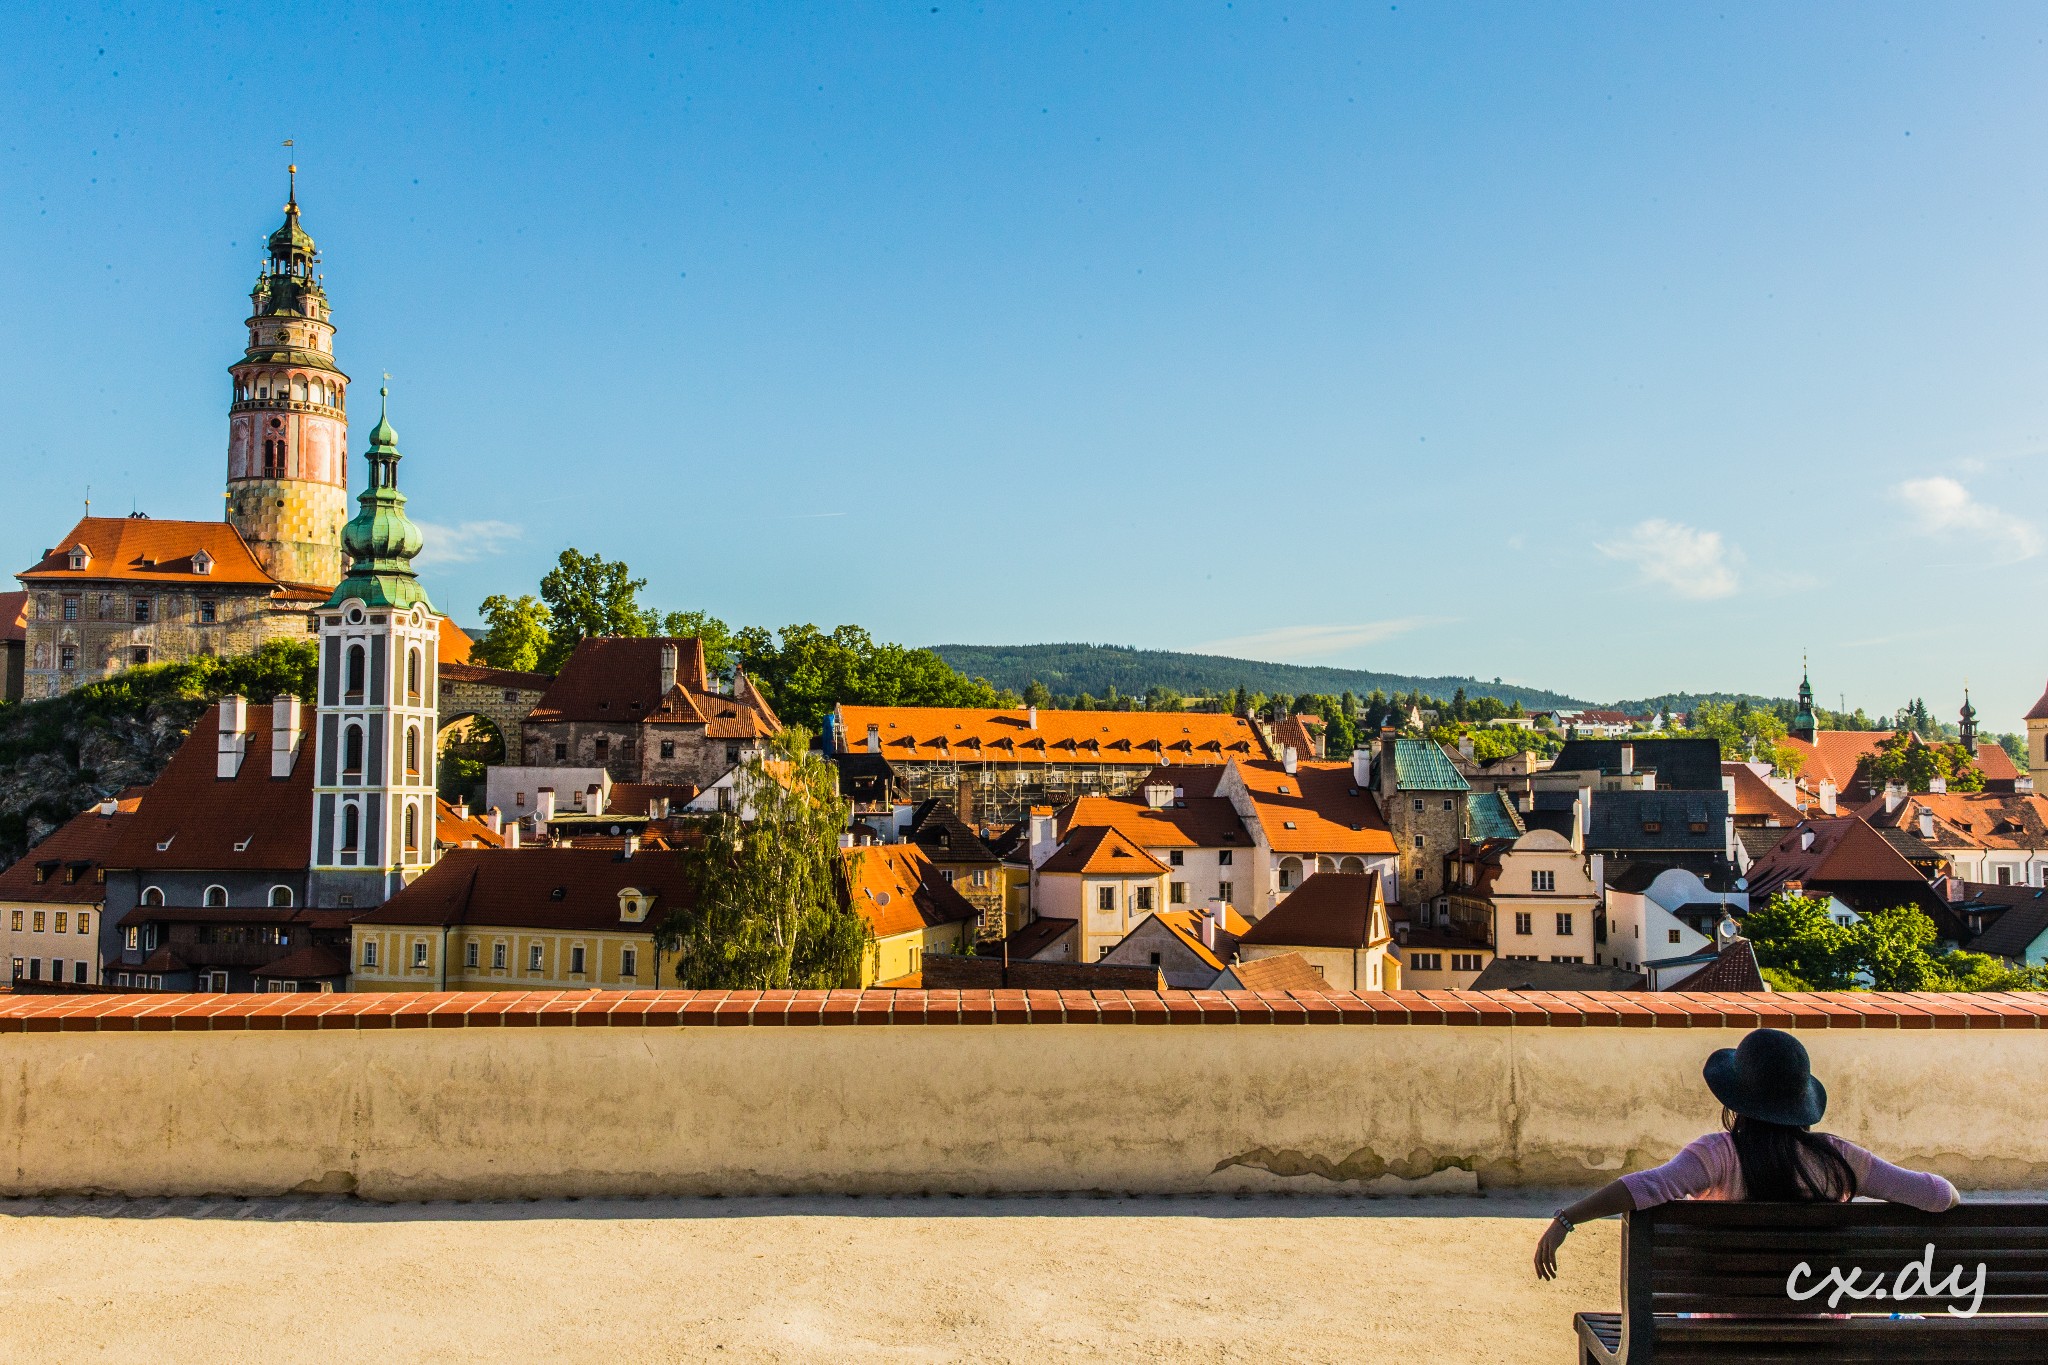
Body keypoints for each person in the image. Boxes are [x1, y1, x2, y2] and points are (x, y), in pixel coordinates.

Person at [1533, 1027, 1957, 1280]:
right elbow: (1938, 1196)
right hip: (1821, 1325)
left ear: (1735, 1100)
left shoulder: (1718, 1155)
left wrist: (1567, 1219)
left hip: (1722, 1325)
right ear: (1800, 1102)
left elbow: (1646, 1187)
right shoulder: (1840, 1159)